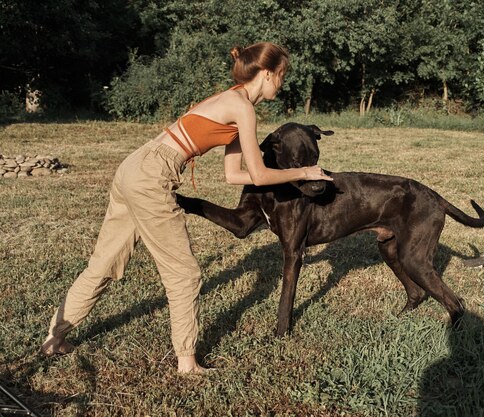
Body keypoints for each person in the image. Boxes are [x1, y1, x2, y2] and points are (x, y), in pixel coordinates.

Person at [40, 42, 333, 373]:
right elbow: (261, 174)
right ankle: (187, 363)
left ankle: (55, 337)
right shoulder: (243, 108)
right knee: (185, 273)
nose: (282, 82)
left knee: (104, 264)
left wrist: (291, 177)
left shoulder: (235, 100)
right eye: (281, 75)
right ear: (266, 74)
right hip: (153, 175)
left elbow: (235, 174)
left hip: (136, 166)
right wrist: (305, 172)